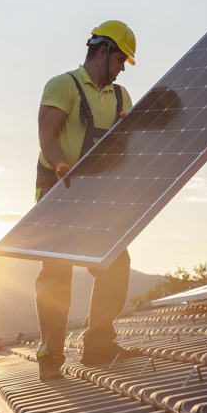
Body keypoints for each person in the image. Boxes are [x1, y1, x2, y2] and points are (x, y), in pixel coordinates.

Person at [34, 20, 136, 378]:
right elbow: (47, 135)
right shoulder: (64, 85)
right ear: (103, 51)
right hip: (58, 191)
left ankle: (98, 345)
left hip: (97, 195)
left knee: (115, 262)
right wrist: (62, 165)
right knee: (57, 274)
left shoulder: (122, 97)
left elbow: (127, 149)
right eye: (121, 59)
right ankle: (50, 356)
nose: (123, 67)